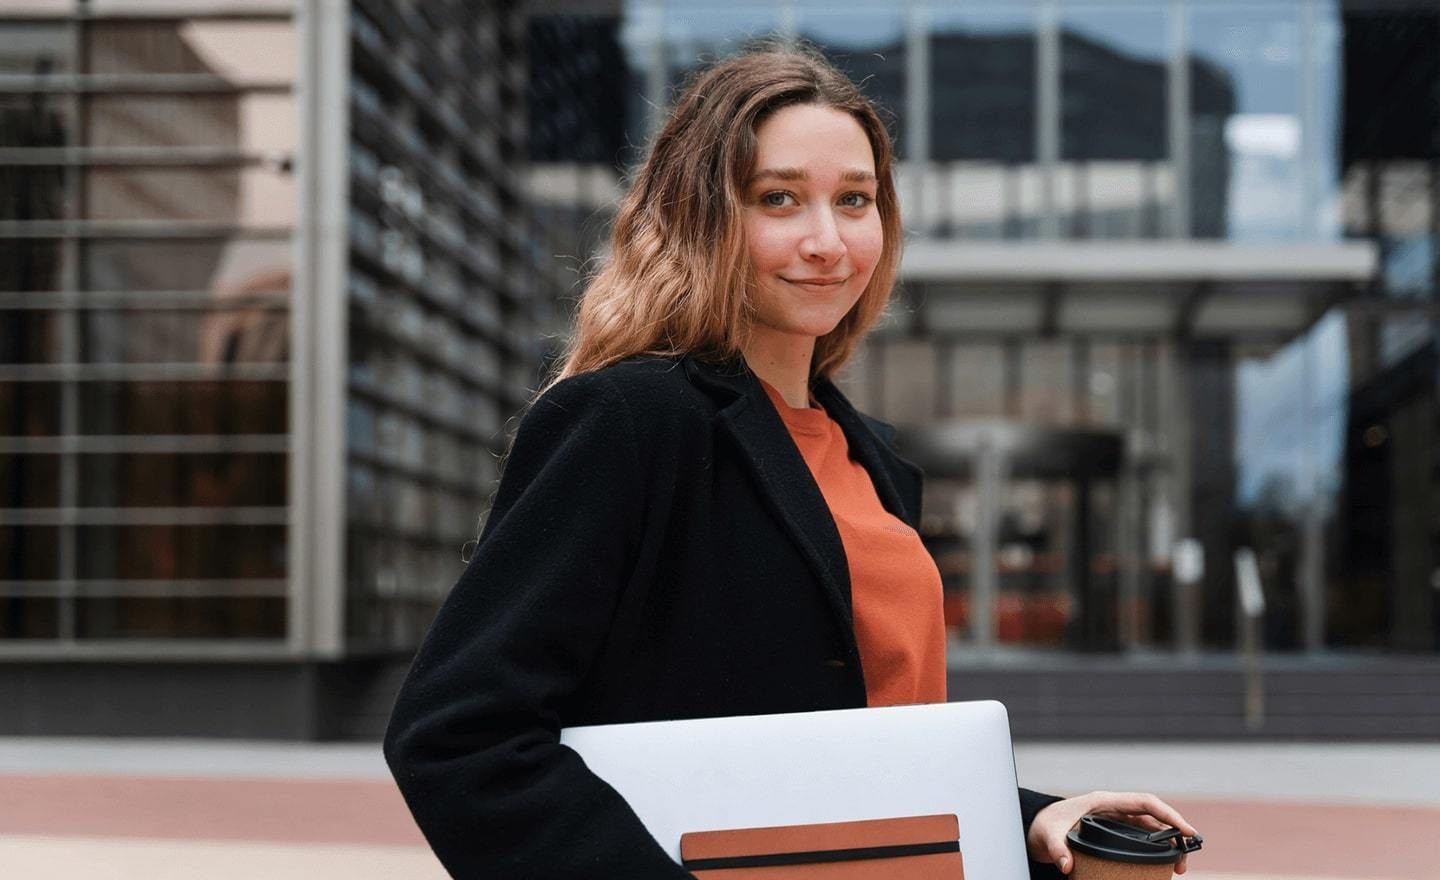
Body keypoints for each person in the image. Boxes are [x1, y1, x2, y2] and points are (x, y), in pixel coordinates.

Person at [384, 44, 1196, 879]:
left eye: (855, 200)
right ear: (703, 219)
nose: (827, 240)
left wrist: (1034, 816)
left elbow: (864, 744)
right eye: (779, 199)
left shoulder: (873, 455)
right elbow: (459, 736)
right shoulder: (631, 420)